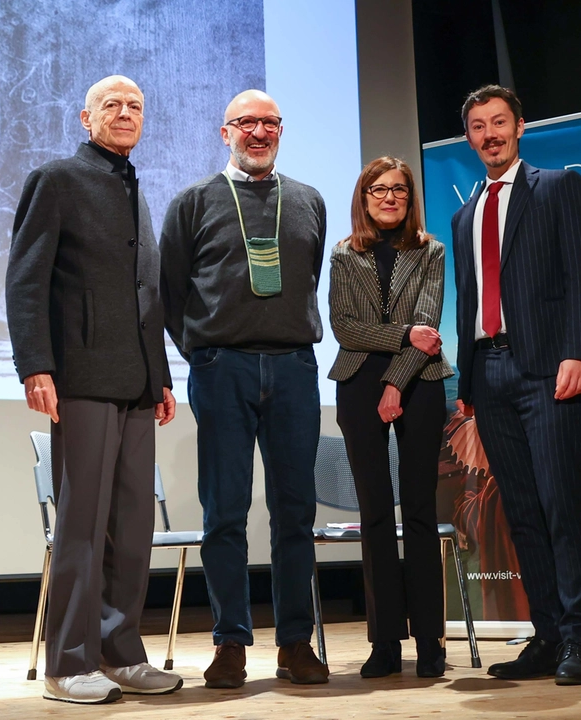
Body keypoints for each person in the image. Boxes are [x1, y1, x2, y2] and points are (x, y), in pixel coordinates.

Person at [5, 75, 180, 704]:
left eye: (136, 105)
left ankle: (120, 652)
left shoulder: (133, 187)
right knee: (81, 524)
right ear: (86, 117)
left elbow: (147, 295)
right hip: (79, 377)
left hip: (135, 382)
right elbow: (26, 280)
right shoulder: (57, 179)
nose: (126, 113)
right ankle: (67, 662)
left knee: (133, 526)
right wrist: (35, 365)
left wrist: (159, 376)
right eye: (113, 105)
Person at [159, 89, 328, 688]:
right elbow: (170, 293)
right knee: (224, 512)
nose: (259, 133)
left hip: (293, 369)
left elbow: (307, 277)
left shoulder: (308, 200)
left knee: (294, 512)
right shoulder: (193, 202)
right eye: (246, 123)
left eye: (269, 123)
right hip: (222, 369)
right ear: (224, 131)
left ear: (281, 131)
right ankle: (230, 642)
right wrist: (201, 353)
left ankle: (294, 643)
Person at [450, 85, 581, 684]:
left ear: (520, 127)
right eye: (478, 126)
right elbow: (468, 304)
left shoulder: (559, 187)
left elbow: (579, 278)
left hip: (548, 370)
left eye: (499, 122)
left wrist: (577, 352)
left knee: (563, 504)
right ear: (469, 137)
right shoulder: (465, 215)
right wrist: (468, 379)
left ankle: (579, 641)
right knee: (522, 513)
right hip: (489, 375)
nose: (490, 134)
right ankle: (545, 636)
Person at [329, 156, 454, 678]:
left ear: (409, 198)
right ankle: (385, 643)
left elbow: (429, 324)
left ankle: (430, 642)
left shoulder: (430, 250)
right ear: (364, 197)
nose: (388, 197)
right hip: (357, 384)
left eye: (398, 190)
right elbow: (345, 328)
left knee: (420, 511)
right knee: (376, 513)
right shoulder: (344, 254)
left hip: (420, 383)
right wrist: (401, 338)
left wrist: (395, 381)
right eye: (378, 189)